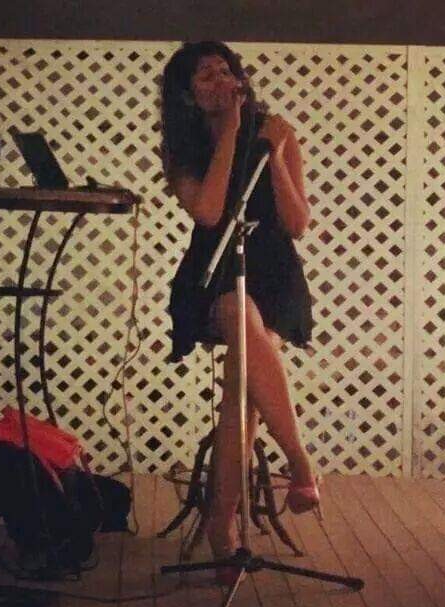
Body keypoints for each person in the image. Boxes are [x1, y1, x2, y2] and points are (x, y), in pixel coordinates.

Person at [160, 41, 319, 577]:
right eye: (204, 76)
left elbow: (297, 223)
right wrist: (229, 133)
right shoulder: (182, 149)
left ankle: (221, 526)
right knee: (238, 314)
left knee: (241, 391)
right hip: (214, 272)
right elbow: (208, 212)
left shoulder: (274, 132)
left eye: (223, 71)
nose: (218, 81)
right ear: (187, 94)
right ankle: (300, 463)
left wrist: (274, 155)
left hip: (272, 272)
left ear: (240, 81)